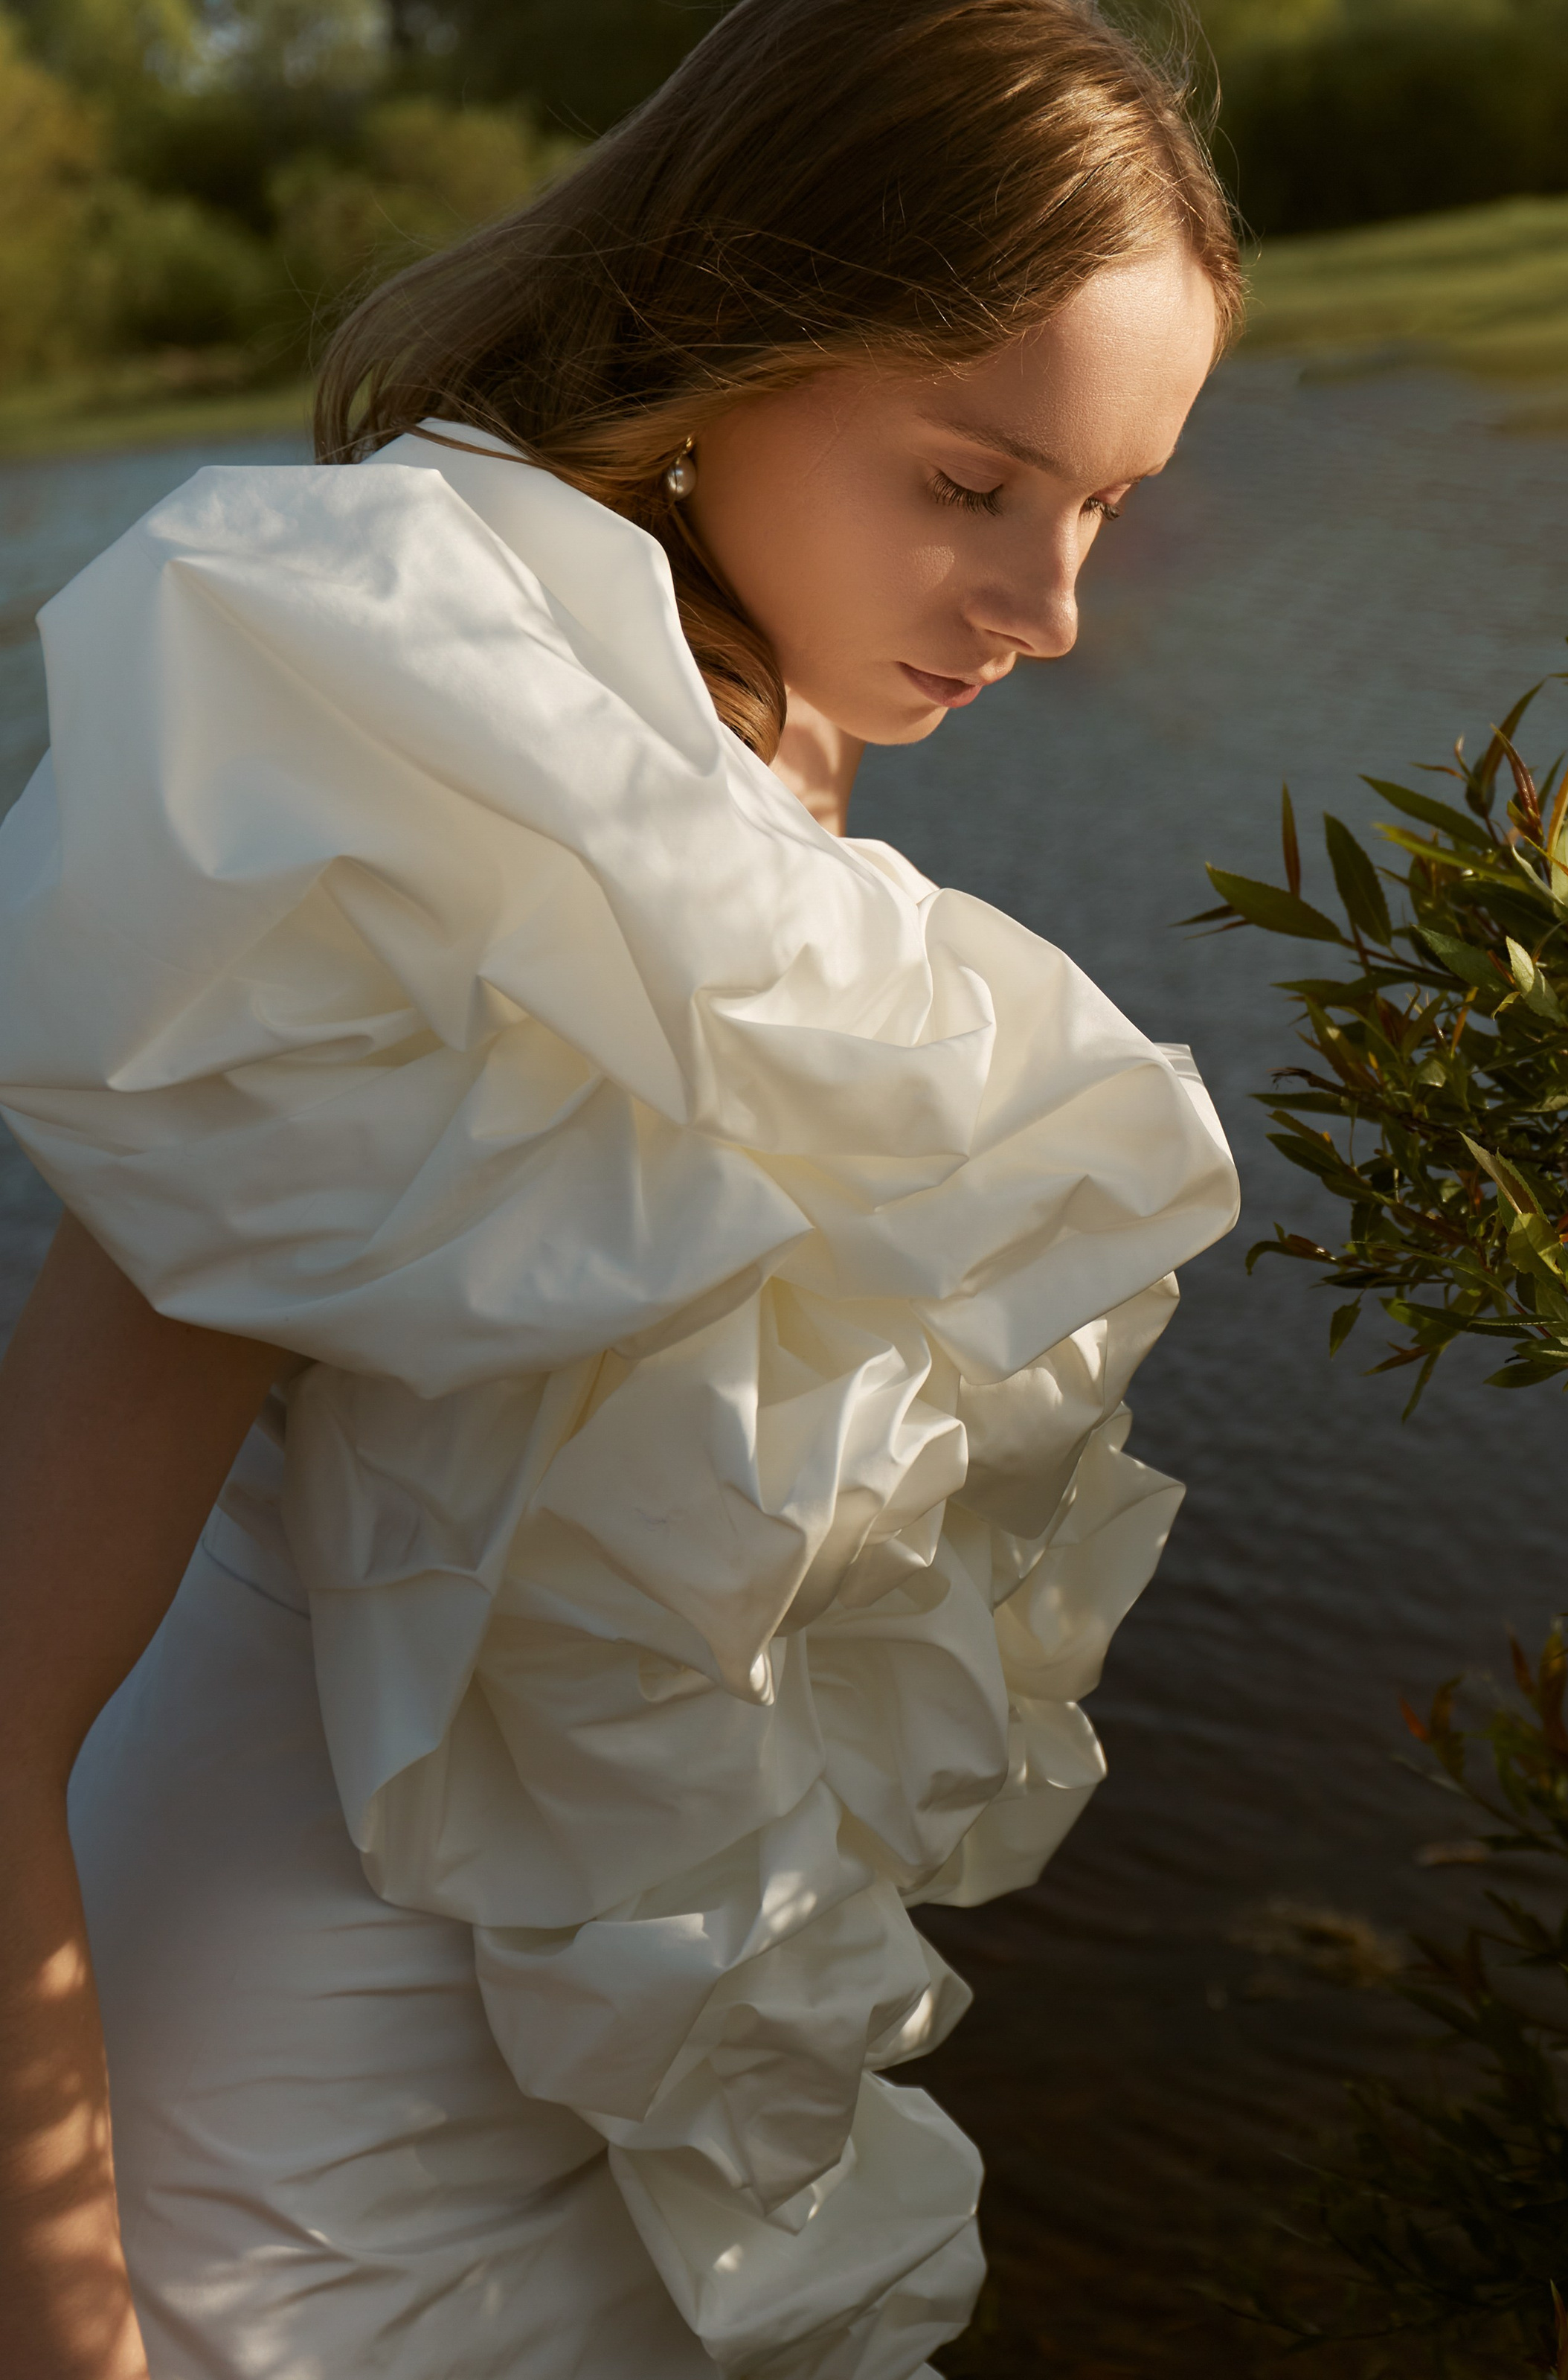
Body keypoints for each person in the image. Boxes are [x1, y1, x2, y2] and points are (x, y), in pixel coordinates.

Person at [0, 1, 1242, 2372]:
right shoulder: (410, 804)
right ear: (725, 341)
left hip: (611, 2093)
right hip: (281, 2162)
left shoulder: (764, 765)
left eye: (1106, 506)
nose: (1050, 608)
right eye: (973, 486)